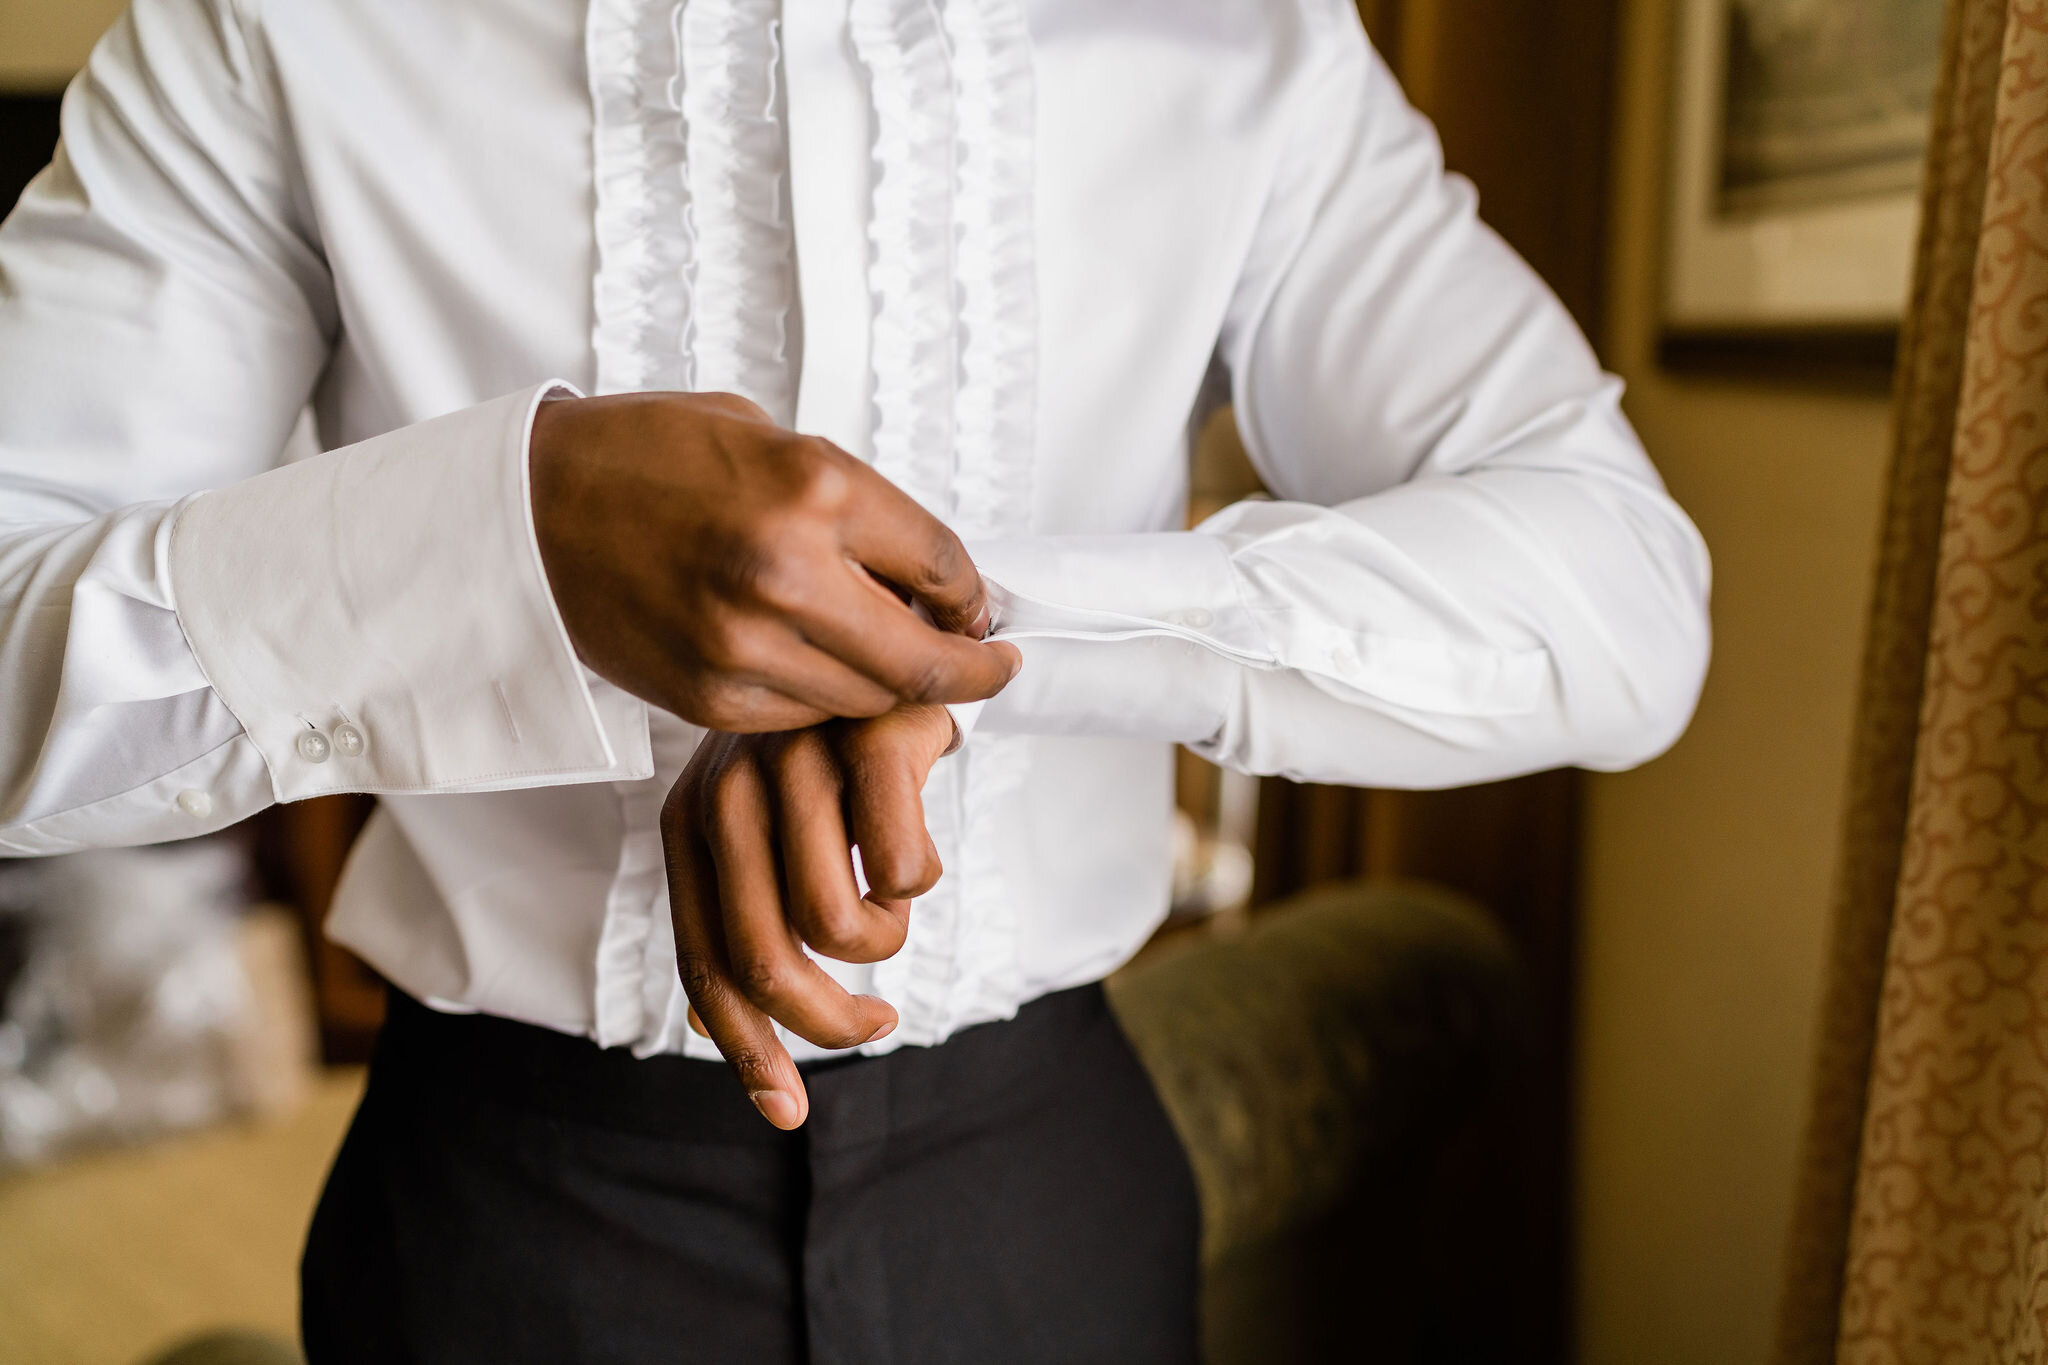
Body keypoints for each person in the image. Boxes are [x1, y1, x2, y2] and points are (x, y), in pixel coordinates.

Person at [0, 0, 1711, 1360]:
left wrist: (946, 644)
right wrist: (520, 536)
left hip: (1054, 1202)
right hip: (505, 1221)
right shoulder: (275, 23)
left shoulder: (1245, 30)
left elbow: (1622, 598)